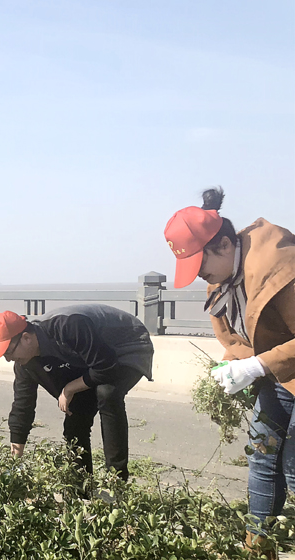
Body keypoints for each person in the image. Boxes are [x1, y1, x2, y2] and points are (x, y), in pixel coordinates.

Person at [165, 188, 295, 557]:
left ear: (224, 245)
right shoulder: (223, 278)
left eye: (200, 264)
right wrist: (233, 362)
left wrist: (257, 365)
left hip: (279, 364)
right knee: (262, 454)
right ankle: (258, 548)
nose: (199, 275)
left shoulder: (281, 267)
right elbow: (244, 333)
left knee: (293, 464)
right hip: (281, 372)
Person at [0, 305, 154, 480]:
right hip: (97, 358)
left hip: (129, 344)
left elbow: (105, 368)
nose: (8, 359)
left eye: (8, 352)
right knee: (75, 416)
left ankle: (117, 480)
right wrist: (15, 461)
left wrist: (69, 388)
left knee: (107, 393)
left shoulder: (68, 326)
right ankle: (81, 487)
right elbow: (23, 405)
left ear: (26, 338)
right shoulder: (25, 364)